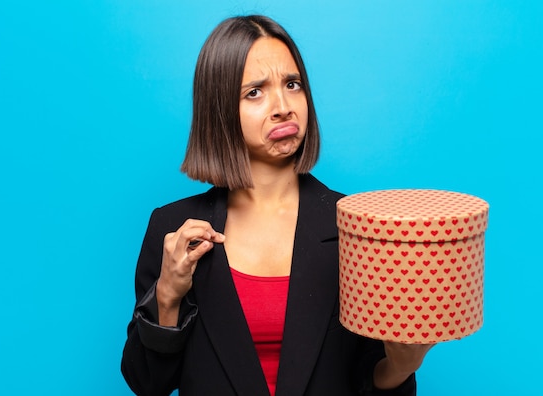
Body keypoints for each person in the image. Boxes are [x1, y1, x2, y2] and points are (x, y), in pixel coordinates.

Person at [121, 15, 433, 396]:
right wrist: (167, 293)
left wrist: (402, 366)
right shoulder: (171, 229)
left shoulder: (357, 227)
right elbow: (146, 383)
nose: (283, 106)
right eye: (255, 92)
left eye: (292, 84)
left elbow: (369, 376)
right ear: (219, 110)